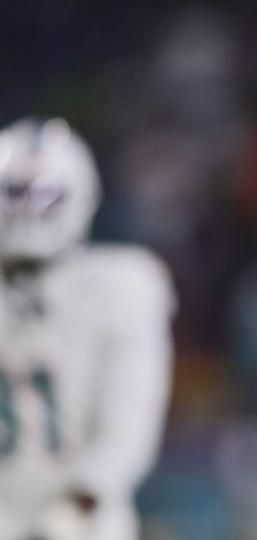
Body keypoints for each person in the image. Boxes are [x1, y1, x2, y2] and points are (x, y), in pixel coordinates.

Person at [0, 118, 175, 540]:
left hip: (83, 523)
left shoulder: (122, 286)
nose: (28, 210)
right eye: (15, 193)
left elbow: (129, 429)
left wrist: (77, 506)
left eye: (43, 196)